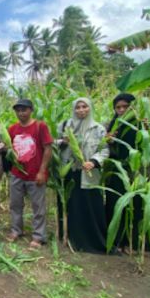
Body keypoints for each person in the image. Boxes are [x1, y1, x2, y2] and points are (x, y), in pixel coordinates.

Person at [57, 97, 109, 253]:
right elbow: (52, 143)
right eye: (77, 107)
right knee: (71, 206)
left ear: (90, 108)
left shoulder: (98, 129)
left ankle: (90, 241)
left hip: (88, 174)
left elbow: (105, 150)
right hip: (69, 173)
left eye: (84, 107)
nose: (81, 110)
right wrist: (62, 142)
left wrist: (93, 161)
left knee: (90, 207)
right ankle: (70, 237)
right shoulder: (65, 125)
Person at [104, 93, 149, 253]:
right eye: (118, 107)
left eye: (125, 106)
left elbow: (148, 149)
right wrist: (107, 140)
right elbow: (105, 150)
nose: (122, 110)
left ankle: (132, 243)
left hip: (135, 171)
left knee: (135, 206)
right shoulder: (113, 125)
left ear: (132, 107)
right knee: (116, 205)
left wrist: (147, 132)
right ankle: (115, 241)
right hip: (117, 170)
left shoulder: (140, 124)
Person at [7, 99, 53, 248]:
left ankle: (38, 236)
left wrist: (42, 171)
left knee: (38, 206)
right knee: (15, 204)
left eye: (24, 110)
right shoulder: (12, 129)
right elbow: (8, 148)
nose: (21, 113)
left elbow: (48, 149)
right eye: (18, 110)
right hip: (17, 174)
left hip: (35, 174)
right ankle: (16, 230)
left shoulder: (40, 126)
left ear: (31, 110)